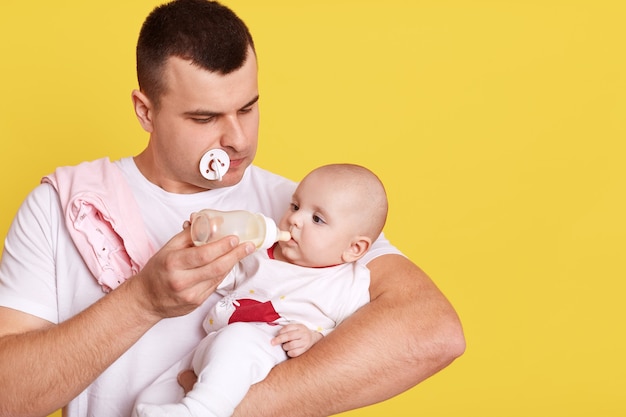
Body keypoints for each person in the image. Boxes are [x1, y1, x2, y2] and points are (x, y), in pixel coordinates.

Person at [0, 1, 465, 417]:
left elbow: (433, 332)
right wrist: (142, 301)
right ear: (146, 112)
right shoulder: (64, 206)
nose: (239, 140)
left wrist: (231, 407)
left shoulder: (307, 211)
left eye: (248, 108)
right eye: (205, 118)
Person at [134, 163, 389, 417]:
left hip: (272, 357)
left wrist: (315, 338)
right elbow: (222, 277)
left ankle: (203, 410)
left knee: (237, 343)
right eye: (295, 206)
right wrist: (201, 252)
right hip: (216, 348)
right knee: (153, 395)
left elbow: (352, 341)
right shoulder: (261, 255)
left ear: (353, 249)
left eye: (317, 219)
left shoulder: (347, 284)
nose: (295, 220)